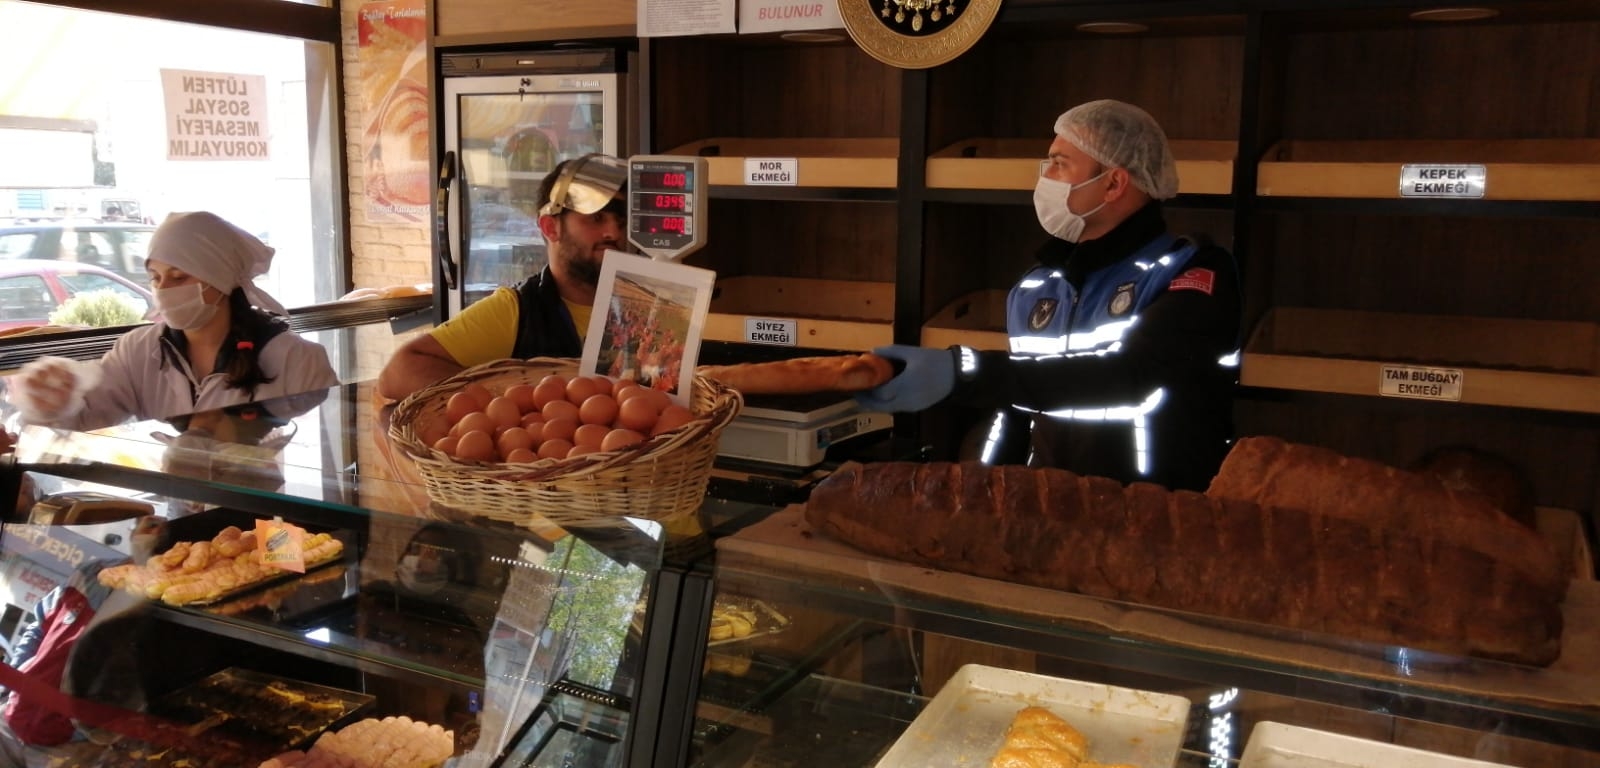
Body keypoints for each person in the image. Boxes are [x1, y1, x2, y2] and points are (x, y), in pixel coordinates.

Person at [856, 100, 1242, 492]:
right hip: (1053, 510)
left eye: (1059, 163)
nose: (1046, 178)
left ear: (1113, 183)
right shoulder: (1039, 286)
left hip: (1157, 518)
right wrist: (980, 487)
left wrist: (961, 371)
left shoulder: (1194, 272)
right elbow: (1019, 402)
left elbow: (1130, 375)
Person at [10, 211, 339, 431]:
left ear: (221, 280)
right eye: (155, 277)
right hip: (177, 510)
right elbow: (88, 416)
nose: (163, 290)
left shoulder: (297, 359)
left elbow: (319, 447)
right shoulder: (139, 351)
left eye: (178, 277)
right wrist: (51, 403)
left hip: (270, 518)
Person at [377, 152, 630, 401]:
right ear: (550, 227)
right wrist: (507, 399)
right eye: (596, 218)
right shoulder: (518, 310)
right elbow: (399, 373)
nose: (613, 233)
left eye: (620, 222)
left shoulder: (644, 307)